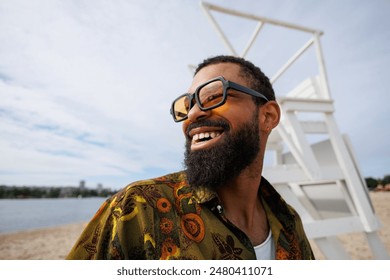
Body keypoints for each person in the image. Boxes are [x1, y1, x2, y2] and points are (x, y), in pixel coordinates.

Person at [66, 55, 314, 260]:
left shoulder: (289, 223)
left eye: (214, 95)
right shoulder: (137, 210)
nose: (193, 114)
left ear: (267, 116)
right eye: (187, 105)